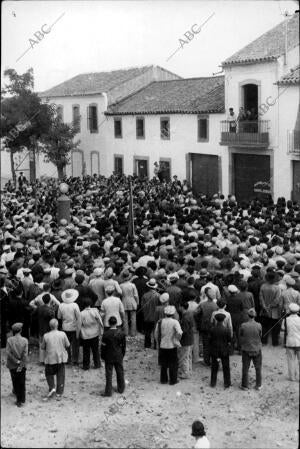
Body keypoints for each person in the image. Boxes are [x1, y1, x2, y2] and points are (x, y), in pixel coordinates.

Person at [41, 318, 70, 400]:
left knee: (49, 374)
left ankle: (51, 387)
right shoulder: (63, 334)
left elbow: (42, 347)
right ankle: (59, 392)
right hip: (60, 358)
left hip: (50, 359)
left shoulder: (46, 335)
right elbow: (68, 345)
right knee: (61, 375)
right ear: (57, 325)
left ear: (49, 326)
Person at [154, 305, 183, 385]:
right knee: (173, 363)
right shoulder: (175, 322)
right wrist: (176, 339)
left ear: (165, 313)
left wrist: (157, 342)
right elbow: (180, 332)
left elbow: (156, 333)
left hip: (162, 345)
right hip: (172, 345)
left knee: (163, 364)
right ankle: (173, 380)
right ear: (173, 313)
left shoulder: (160, 322)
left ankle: (163, 380)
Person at [101, 315, 126, 397]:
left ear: (109, 323)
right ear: (116, 323)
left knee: (109, 374)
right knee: (120, 372)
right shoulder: (121, 333)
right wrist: (122, 354)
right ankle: (121, 388)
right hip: (118, 355)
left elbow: (103, 346)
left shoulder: (106, 334)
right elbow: (123, 346)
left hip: (109, 355)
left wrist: (103, 356)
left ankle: (108, 392)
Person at [239, 308, 262, 391]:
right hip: (256, 349)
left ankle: (245, 385)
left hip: (246, 349)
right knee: (258, 368)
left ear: (248, 315)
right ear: (255, 316)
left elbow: (240, 335)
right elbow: (260, 335)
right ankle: (258, 385)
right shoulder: (259, 325)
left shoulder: (243, 325)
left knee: (245, 368)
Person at [6, 322, 28, 407]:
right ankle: (21, 399)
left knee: (14, 379)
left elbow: (8, 353)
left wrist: (15, 361)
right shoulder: (25, 340)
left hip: (12, 364)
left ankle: (15, 391)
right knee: (21, 380)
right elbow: (25, 354)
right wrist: (20, 363)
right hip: (21, 364)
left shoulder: (9, 340)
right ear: (21, 330)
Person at [57, 289, 81, 365]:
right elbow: (78, 317)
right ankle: (75, 360)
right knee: (75, 345)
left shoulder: (61, 305)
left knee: (66, 345)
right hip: (73, 327)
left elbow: (59, 316)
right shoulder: (75, 305)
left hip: (65, 327)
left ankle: (67, 359)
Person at [195, 287, 218, 366]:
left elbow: (196, 314)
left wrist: (200, 320)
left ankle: (206, 361)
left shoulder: (202, 304)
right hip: (213, 327)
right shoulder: (216, 306)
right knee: (213, 344)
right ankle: (213, 360)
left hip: (204, 326)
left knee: (205, 344)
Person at [209, 313, 232, 388]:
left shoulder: (212, 329)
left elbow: (209, 339)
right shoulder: (226, 330)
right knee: (226, 367)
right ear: (223, 320)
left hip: (215, 350)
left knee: (214, 367)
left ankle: (213, 383)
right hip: (224, 350)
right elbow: (229, 340)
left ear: (216, 320)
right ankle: (227, 383)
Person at [259, 271, 282, 346]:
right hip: (274, 311)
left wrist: (265, 306)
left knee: (264, 326)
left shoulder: (263, 286)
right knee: (275, 328)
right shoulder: (277, 288)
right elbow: (277, 300)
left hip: (264, 310)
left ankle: (264, 341)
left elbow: (261, 298)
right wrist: (270, 306)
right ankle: (275, 342)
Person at [80, 297, 103, 370]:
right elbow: (100, 321)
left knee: (86, 351)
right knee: (95, 350)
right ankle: (97, 364)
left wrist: (78, 334)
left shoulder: (81, 314)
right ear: (90, 303)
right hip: (95, 333)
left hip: (85, 335)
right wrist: (101, 332)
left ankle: (86, 366)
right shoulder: (95, 311)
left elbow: (79, 325)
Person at [282, 303, 300, 381]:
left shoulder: (286, 319)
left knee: (291, 360)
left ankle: (292, 377)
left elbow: (282, 328)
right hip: (299, 342)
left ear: (289, 311)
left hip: (290, 342)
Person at [141, 278, 160, 348]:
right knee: (156, 331)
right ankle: (155, 345)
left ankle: (147, 345)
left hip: (147, 316)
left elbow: (142, 306)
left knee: (147, 332)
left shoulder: (144, 295)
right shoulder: (158, 295)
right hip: (155, 316)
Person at [37, 293, 55, 363]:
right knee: (48, 346)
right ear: (50, 300)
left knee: (41, 345)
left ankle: (41, 360)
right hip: (48, 329)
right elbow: (53, 319)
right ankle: (48, 360)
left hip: (41, 328)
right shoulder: (50, 310)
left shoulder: (39, 308)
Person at [120, 270, 139, 336]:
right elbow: (136, 295)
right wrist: (137, 302)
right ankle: (133, 333)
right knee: (133, 318)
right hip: (132, 301)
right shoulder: (132, 285)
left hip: (124, 301)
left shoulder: (121, 285)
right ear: (129, 276)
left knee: (125, 319)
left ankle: (126, 332)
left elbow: (120, 294)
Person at [178, 302, 194, 379]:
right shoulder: (190, 314)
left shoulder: (185, 318)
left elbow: (184, 331)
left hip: (185, 340)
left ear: (182, 307)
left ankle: (185, 373)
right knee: (188, 356)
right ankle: (189, 370)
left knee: (184, 357)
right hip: (190, 338)